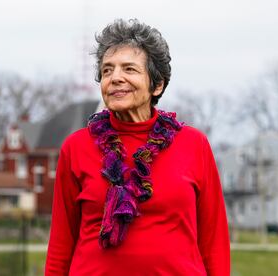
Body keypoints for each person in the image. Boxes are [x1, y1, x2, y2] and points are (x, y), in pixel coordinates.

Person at [45, 19, 230, 276]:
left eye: (129, 69)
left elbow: (214, 243)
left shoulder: (194, 144)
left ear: (157, 84)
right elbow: (60, 245)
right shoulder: (76, 147)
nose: (115, 78)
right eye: (107, 70)